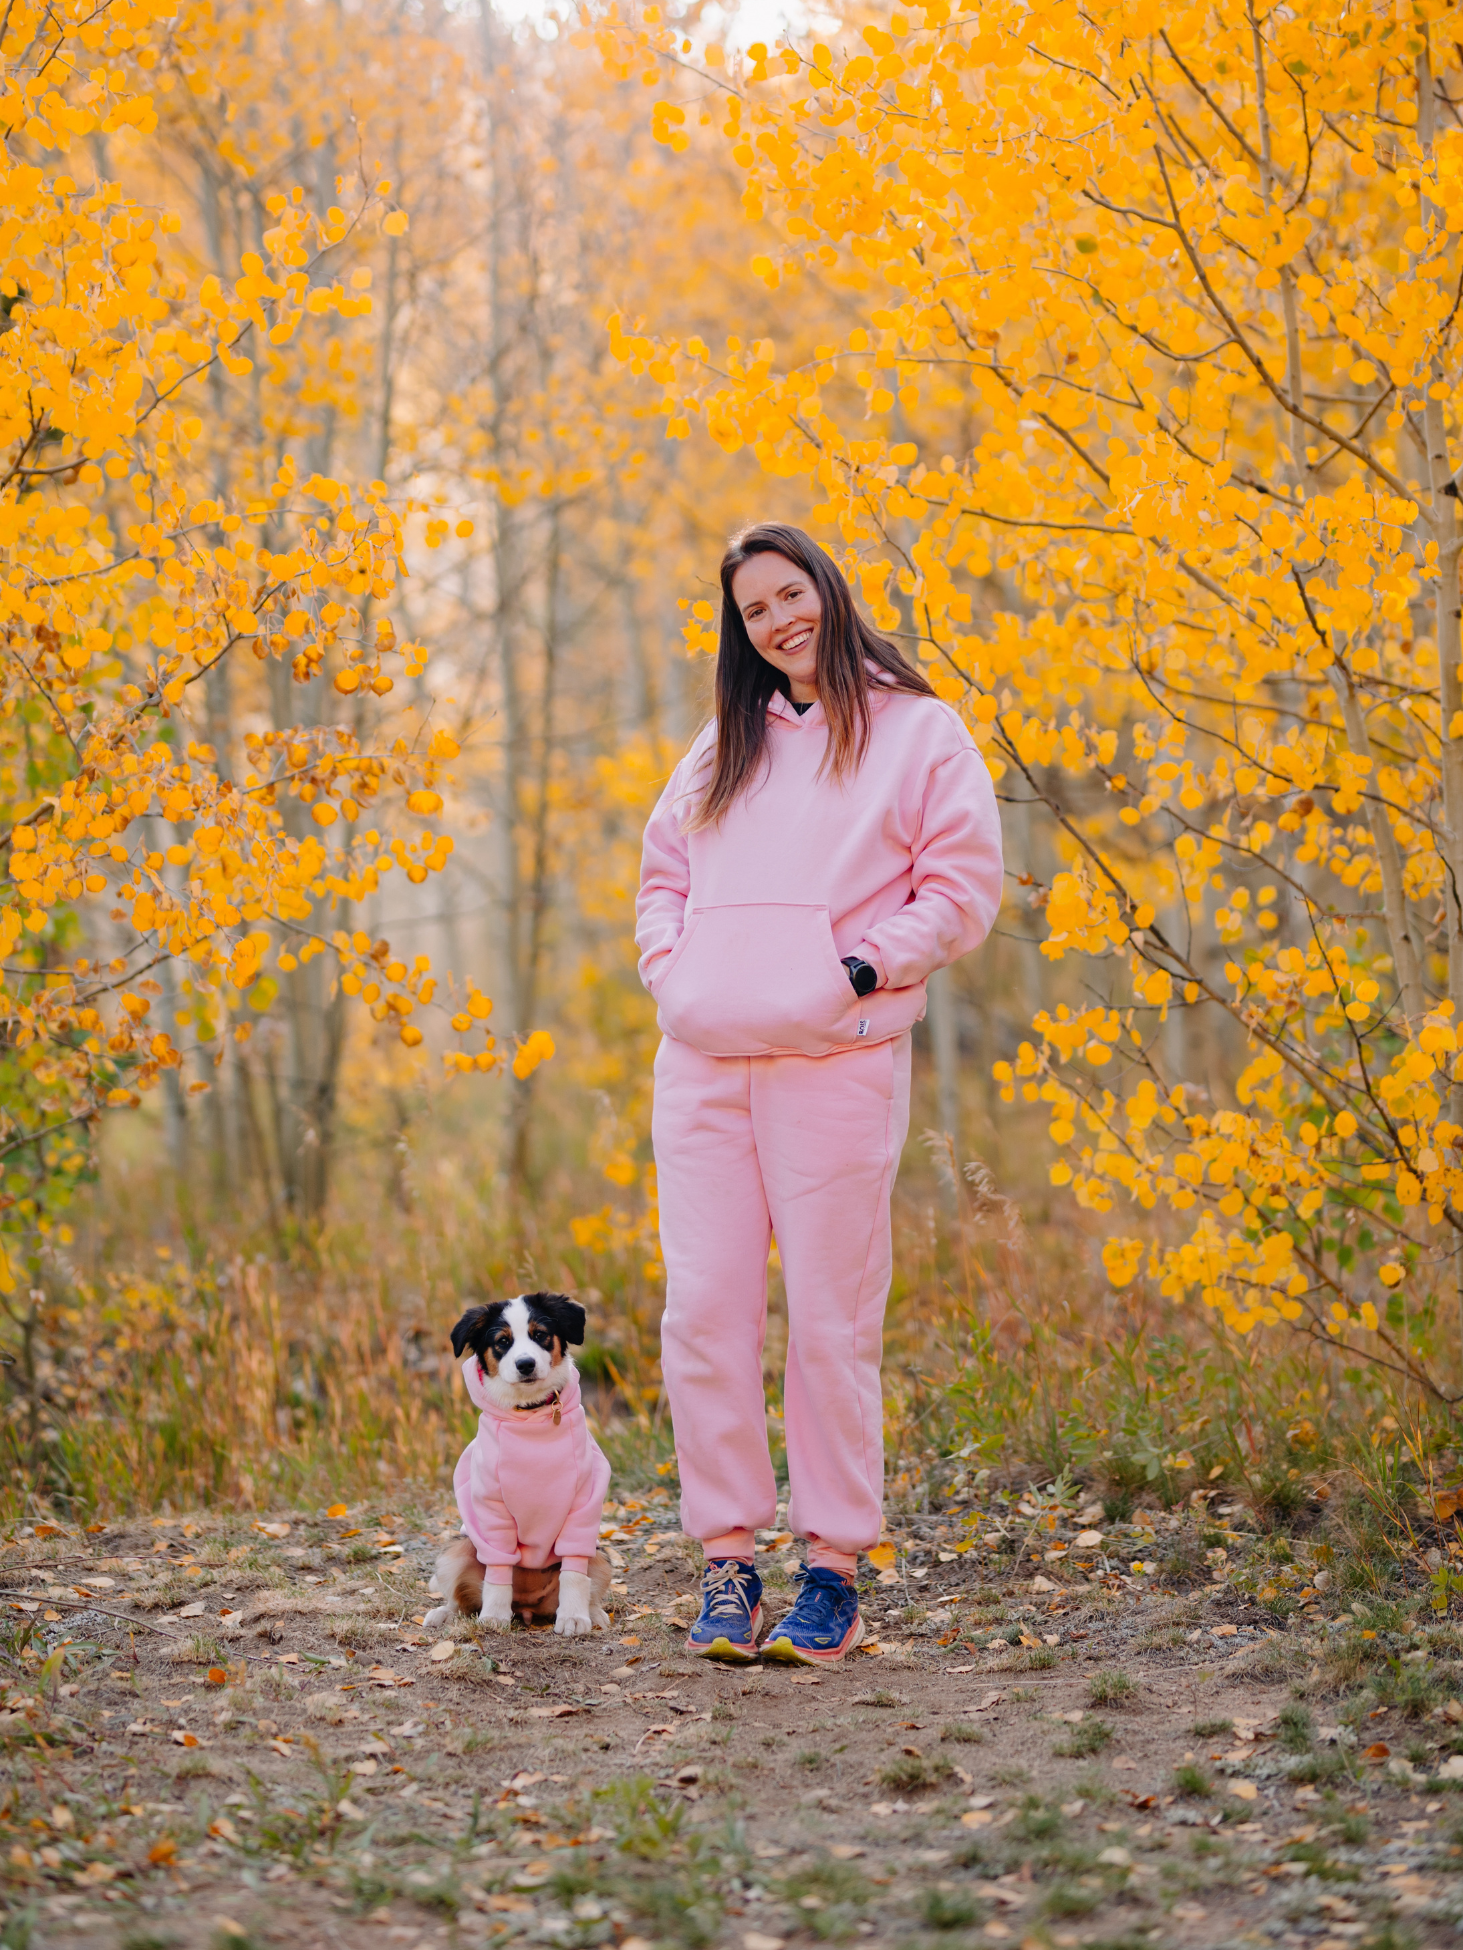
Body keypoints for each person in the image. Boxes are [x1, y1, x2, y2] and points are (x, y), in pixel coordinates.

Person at [635, 522, 1003, 1664]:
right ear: (740, 631)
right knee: (703, 1316)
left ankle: (832, 1570)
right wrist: (676, 974)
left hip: (833, 1063)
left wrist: (856, 968)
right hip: (702, 1068)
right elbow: (661, 877)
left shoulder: (917, 733)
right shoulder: (719, 748)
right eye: (755, 612)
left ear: (827, 593)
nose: (778, 621)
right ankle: (729, 1564)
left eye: (789, 595)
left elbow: (959, 884)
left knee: (829, 1327)